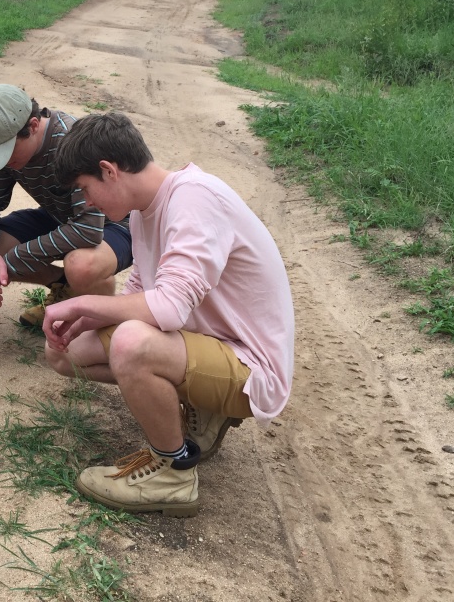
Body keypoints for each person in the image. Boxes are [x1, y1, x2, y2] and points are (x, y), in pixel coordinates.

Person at [41, 113, 294, 517]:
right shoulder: (145, 213)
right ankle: (203, 405)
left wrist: (81, 303)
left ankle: (174, 471)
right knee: (65, 351)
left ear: (109, 171)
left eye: (86, 190)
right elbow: (141, 295)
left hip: (251, 366)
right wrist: (88, 320)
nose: (87, 203)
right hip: (207, 344)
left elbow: (170, 308)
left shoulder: (195, 199)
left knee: (131, 345)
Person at [0, 84, 133, 327]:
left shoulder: (71, 142)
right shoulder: (6, 144)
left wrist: (12, 260)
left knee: (81, 265)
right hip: (61, 217)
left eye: (6, 150)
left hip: (111, 223)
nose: (3, 161)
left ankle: (95, 321)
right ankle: (64, 287)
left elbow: (89, 230)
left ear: (33, 126)